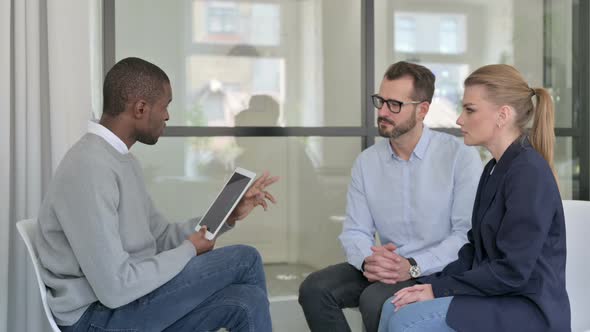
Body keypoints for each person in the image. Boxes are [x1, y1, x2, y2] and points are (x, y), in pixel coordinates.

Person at [35, 57, 279, 332]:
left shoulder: (123, 161)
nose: (167, 116)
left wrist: (227, 215)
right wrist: (189, 251)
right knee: (245, 258)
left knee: (247, 301)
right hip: (97, 318)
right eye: (165, 106)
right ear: (141, 108)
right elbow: (115, 287)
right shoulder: (88, 167)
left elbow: (161, 238)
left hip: (129, 303)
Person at [378, 64, 571, 332]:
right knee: (394, 305)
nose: (459, 119)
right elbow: (474, 252)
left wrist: (438, 290)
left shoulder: (528, 173)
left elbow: (513, 271)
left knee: (406, 320)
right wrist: (429, 284)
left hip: (526, 308)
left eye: (470, 110)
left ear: (502, 115)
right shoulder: (494, 169)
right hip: (497, 297)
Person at [298, 61, 483, 332]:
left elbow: (465, 236)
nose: (383, 111)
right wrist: (367, 261)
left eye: (394, 104)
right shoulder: (367, 162)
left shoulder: (459, 157)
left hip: (437, 269)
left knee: (376, 300)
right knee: (315, 289)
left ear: (422, 110)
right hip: (386, 268)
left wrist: (412, 266)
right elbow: (355, 231)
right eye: (380, 101)